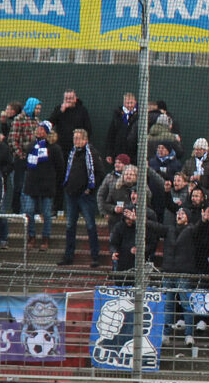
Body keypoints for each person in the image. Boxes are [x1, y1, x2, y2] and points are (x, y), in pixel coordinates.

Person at [59, 129, 103, 267]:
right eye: (74, 138)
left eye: (78, 138)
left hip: (85, 196)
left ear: (85, 139)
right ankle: (68, 256)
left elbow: (100, 173)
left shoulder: (92, 154)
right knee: (70, 226)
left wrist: (90, 189)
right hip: (71, 194)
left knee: (90, 225)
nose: (76, 141)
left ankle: (95, 256)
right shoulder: (72, 153)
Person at [22, 121, 64, 250]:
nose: (39, 131)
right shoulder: (31, 146)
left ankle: (45, 238)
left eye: (42, 129)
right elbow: (26, 165)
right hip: (31, 185)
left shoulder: (54, 148)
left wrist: (53, 181)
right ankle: (31, 236)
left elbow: (60, 167)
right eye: (38, 129)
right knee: (29, 211)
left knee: (46, 213)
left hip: (47, 186)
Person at [105, 92, 139, 165]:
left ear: (135, 102)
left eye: (131, 103)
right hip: (119, 151)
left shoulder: (140, 114)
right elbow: (111, 135)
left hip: (134, 153)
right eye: (127, 103)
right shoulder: (117, 114)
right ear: (124, 103)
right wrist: (109, 153)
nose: (129, 105)